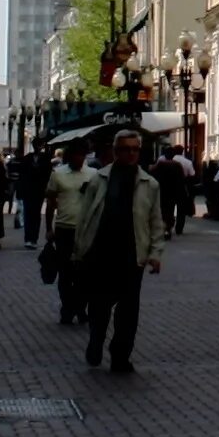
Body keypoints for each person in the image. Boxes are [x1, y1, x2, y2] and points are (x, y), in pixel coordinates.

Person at [72, 128, 164, 374]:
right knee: (99, 306)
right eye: (125, 149)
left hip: (132, 255)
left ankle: (121, 355)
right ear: (115, 152)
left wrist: (155, 254)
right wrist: (79, 250)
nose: (131, 154)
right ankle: (96, 342)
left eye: (135, 149)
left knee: (128, 310)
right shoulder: (98, 180)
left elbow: (156, 221)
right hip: (101, 252)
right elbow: (85, 218)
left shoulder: (149, 184)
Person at [42, 138, 93, 325]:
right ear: (70, 156)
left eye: (82, 155)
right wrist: (49, 228)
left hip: (86, 230)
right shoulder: (58, 175)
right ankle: (67, 308)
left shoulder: (93, 174)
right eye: (76, 155)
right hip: (64, 229)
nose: (79, 158)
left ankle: (80, 306)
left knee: (85, 273)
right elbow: (50, 203)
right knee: (65, 273)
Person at [152, 145, 192, 238]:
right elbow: (182, 178)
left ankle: (166, 228)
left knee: (165, 210)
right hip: (175, 190)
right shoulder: (177, 165)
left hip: (163, 190)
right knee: (176, 210)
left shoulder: (160, 164)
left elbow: (154, 175)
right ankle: (174, 228)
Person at [19, 143, 52, 248]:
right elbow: (22, 175)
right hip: (28, 190)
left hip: (39, 191)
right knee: (28, 214)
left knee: (36, 214)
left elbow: (48, 174)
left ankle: (34, 239)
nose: (38, 148)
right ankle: (28, 238)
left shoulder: (45, 159)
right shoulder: (27, 158)